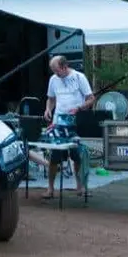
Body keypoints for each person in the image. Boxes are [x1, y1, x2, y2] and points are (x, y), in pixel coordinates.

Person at [41, 55, 95, 199]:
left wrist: (79, 107)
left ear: (65, 67)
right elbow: (51, 99)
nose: (56, 74)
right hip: (58, 122)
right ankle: (50, 189)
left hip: (74, 122)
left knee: (76, 155)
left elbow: (91, 98)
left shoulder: (79, 77)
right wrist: (48, 109)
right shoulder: (53, 80)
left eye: (57, 71)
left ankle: (80, 186)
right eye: (53, 71)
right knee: (54, 156)